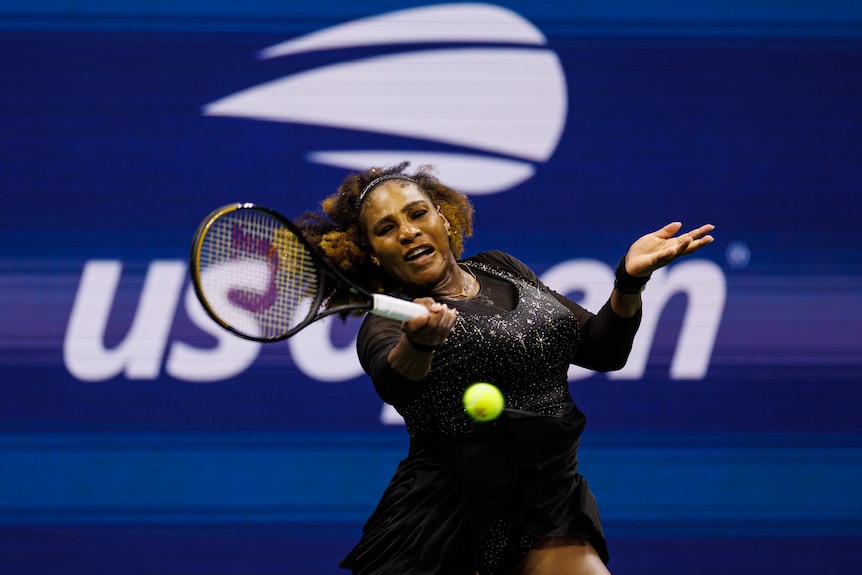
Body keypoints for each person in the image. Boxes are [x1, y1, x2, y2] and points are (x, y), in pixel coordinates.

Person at [295, 162, 715, 575]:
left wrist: (628, 282)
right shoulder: (387, 323)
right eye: (386, 229)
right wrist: (418, 342)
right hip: (441, 526)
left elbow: (600, 350)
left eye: (417, 213)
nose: (407, 231)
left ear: (442, 218)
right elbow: (397, 383)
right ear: (372, 253)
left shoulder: (501, 268)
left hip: (545, 503)